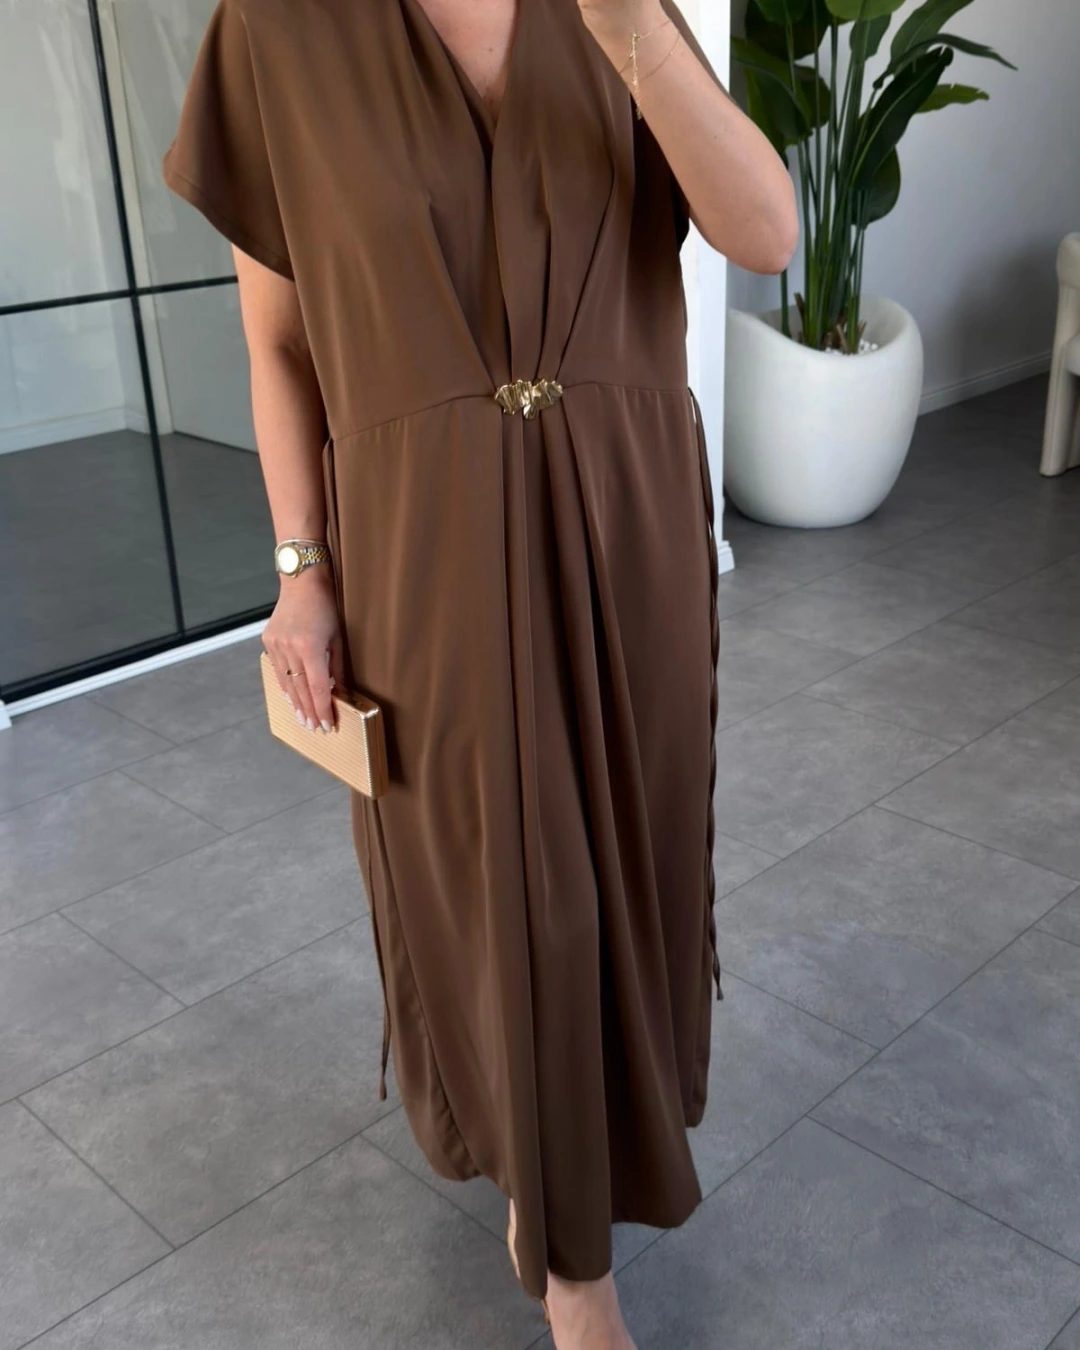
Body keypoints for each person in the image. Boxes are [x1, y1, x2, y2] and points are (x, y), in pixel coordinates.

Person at [162, 0, 797, 1344]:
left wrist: (628, 32)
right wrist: (301, 568)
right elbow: (278, 341)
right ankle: (576, 1277)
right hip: (423, 545)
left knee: (628, 861)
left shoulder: (617, 12)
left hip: (627, 524)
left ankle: (571, 1166)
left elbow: (766, 233)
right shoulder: (276, 32)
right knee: (493, 882)